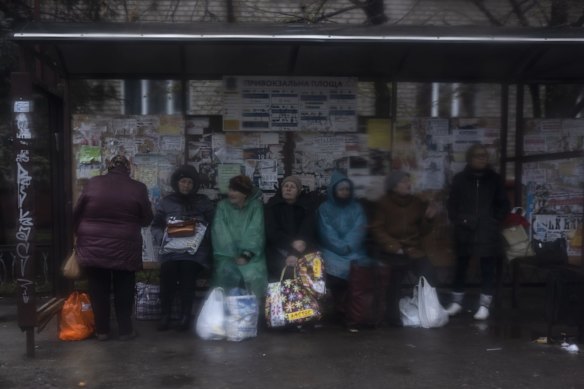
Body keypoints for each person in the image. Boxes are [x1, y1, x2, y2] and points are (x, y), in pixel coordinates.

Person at [73, 155, 153, 341]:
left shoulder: (93, 183)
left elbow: (78, 211)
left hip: (93, 245)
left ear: (109, 167)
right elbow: (147, 218)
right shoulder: (138, 187)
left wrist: (79, 234)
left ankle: (102, 330)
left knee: (98, 288)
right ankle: (125, 330)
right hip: (124, 245)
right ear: (128, 168)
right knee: (124, 287)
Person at [445, 144, 510, 320]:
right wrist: (459, 219)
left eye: (485, 156)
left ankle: (484, 305)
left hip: (487, 229)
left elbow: (503, 203)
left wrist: (493, 220)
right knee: (461, 266)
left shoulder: (494, 179)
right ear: (470, 158)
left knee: (487, 267)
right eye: (478, 155)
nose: (482, 158)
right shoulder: (460, 179)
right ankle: (457, 302)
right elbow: (452, 204)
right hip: (465, 229)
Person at [370, 170, 439, 326]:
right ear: (394, 186)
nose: (408, 184)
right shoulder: (384, 203)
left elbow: (423, 231)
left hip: (413, 249)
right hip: (392, 250)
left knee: (429, 273)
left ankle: (430, 311)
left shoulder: (415, 203)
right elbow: (377, 229)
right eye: (403, 182)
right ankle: (393, 317)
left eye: (408, 181)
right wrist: (393, 246)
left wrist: (428, 219)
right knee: (394, 277)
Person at [151, 165, 214, 331]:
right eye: (183, 182)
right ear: (176, 183)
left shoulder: (203, 202)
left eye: (189, 182)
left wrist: (201, 235)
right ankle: (165, 314)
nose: (186, 185)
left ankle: (185, 316)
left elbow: (214, 226)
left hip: (195, 253)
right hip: (171, 251)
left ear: (194, 185)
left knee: (188, 272)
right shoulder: (166, 202)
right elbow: (155, 226)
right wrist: (163, 237)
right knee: (167, 272)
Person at [316, 171, 369, 330]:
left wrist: (349, 245)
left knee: (357, 270)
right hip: (331, 250)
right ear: (334, 191)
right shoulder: (324, 208)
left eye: (347, 189)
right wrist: (340, 246)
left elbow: (359, 228)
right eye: (341, 189)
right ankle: (339, 308)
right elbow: (325, 230)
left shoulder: (357, 207)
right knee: (333, 271)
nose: (344, 192)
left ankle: (351, 310)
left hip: (354, 249)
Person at [211, 175, 268, 299]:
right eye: (230, 189)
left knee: (254, 276)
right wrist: (231, 254)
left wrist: (246, 254)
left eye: (235, 190)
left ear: (245, 193)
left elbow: (256, 231)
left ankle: (254, 313)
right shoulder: (222, 206)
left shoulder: (255, 206)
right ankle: (226, 312)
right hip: (226, 255)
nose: (231, 193)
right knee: (226, 273)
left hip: (252, 255)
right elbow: (219, 232)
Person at [265, 175, 317, 280]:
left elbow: (307, 230)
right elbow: (272, 231)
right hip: (278, 250)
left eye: (292, 187)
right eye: (286, 186)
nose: (288, 189)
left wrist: (295, 252)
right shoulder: (272, 206)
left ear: (298, 191)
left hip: (302, 250)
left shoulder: (306, 206)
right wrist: (291, 246)